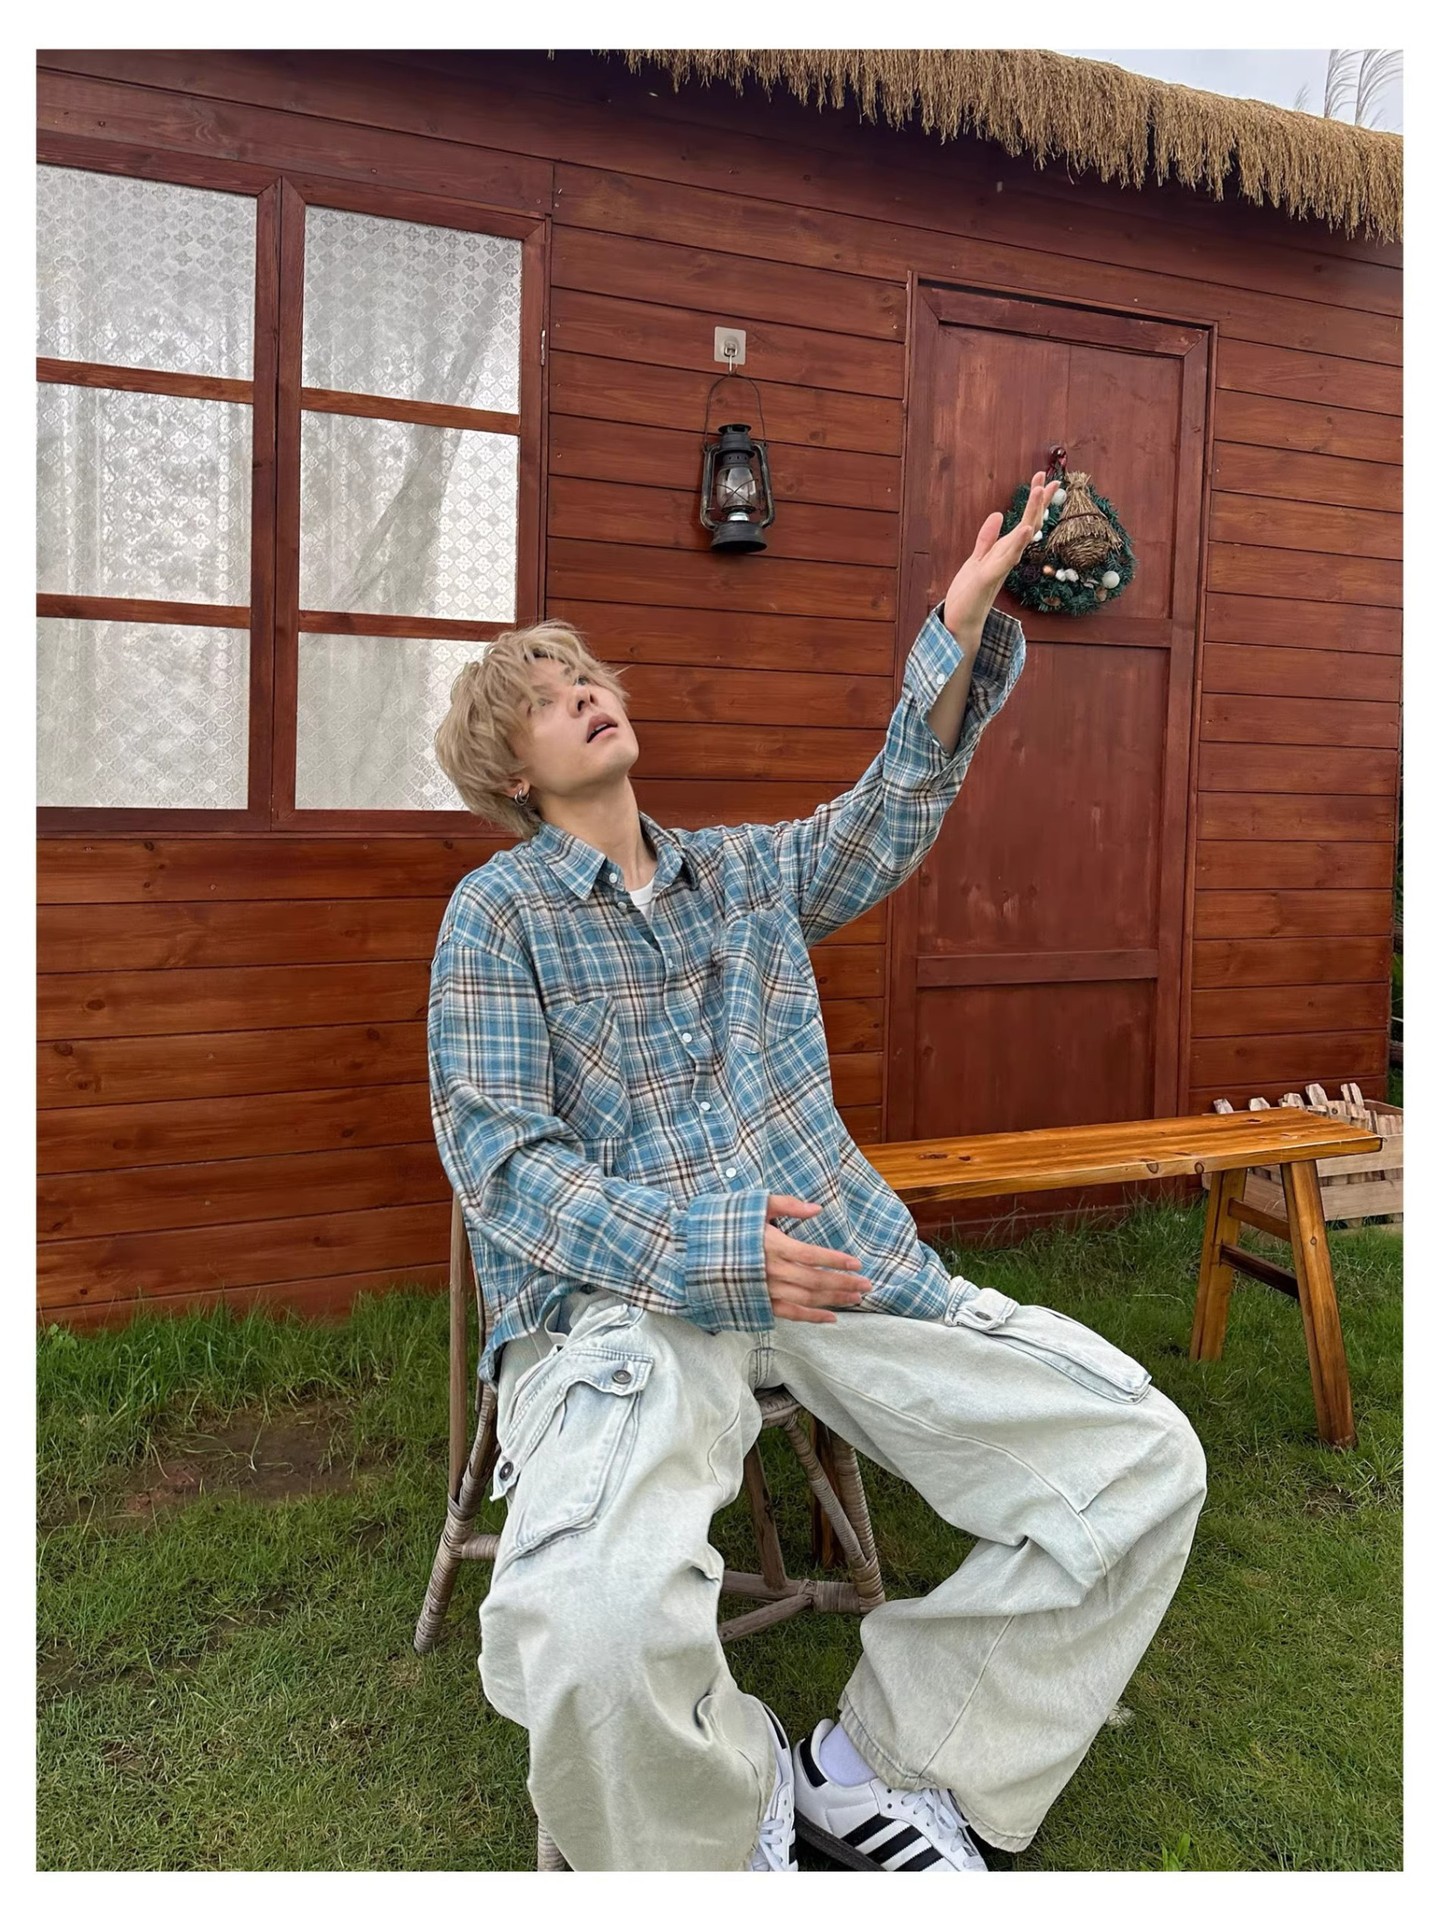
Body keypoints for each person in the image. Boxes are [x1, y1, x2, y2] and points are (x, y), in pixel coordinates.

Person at [427, 474, 1208, 1872]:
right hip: (627, 1314)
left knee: (1140, 1462)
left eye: (586, 676)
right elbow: (500, 1164)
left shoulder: (747, 876)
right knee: (592, 1628)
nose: (585, 694)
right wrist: (708, 1252)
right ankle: (727, 1836)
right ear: (511, 772)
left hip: (838, 1274)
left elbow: (892, 808)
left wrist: (957, 622)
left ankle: (890, 1768)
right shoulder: (498, 916)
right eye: (546, 698)